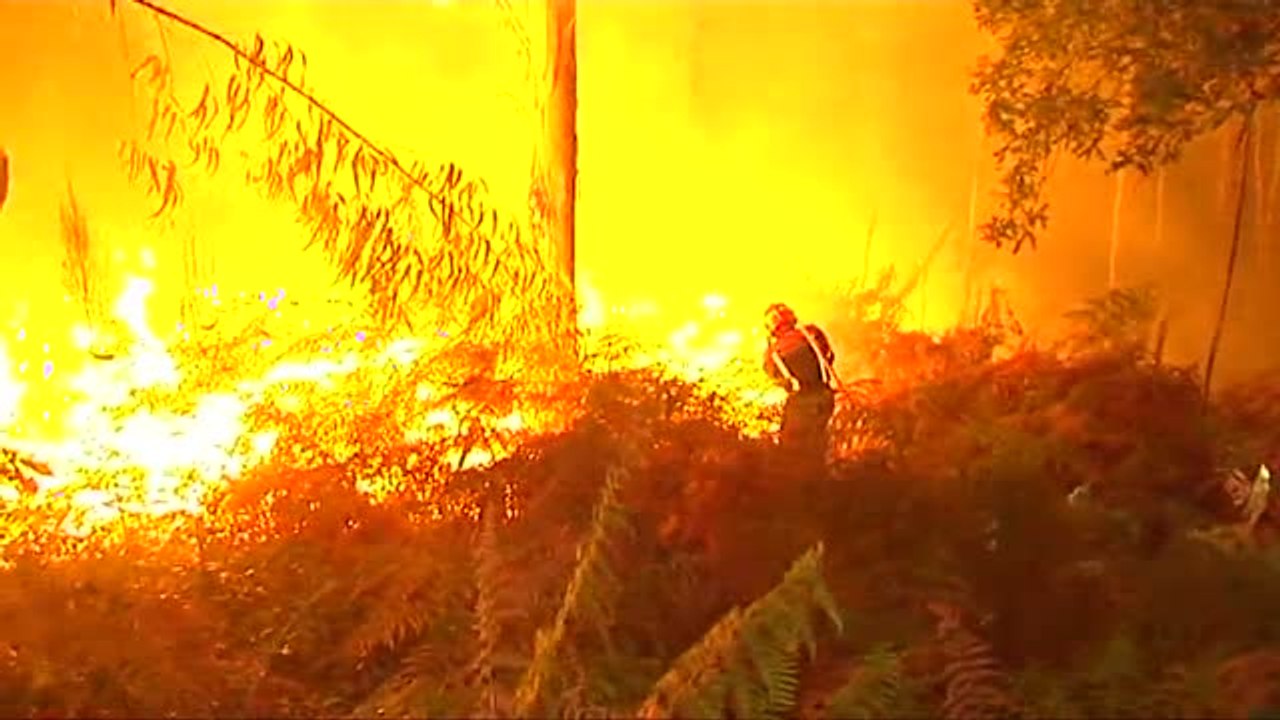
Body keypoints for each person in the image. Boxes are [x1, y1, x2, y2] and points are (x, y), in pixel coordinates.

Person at [762, 303, 837, 463]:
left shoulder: (772, 353)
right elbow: (829, 356)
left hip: (799, 402)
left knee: (791, 450)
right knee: (820, 440)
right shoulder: (811, 333)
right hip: (825, 394)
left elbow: (775, 377)